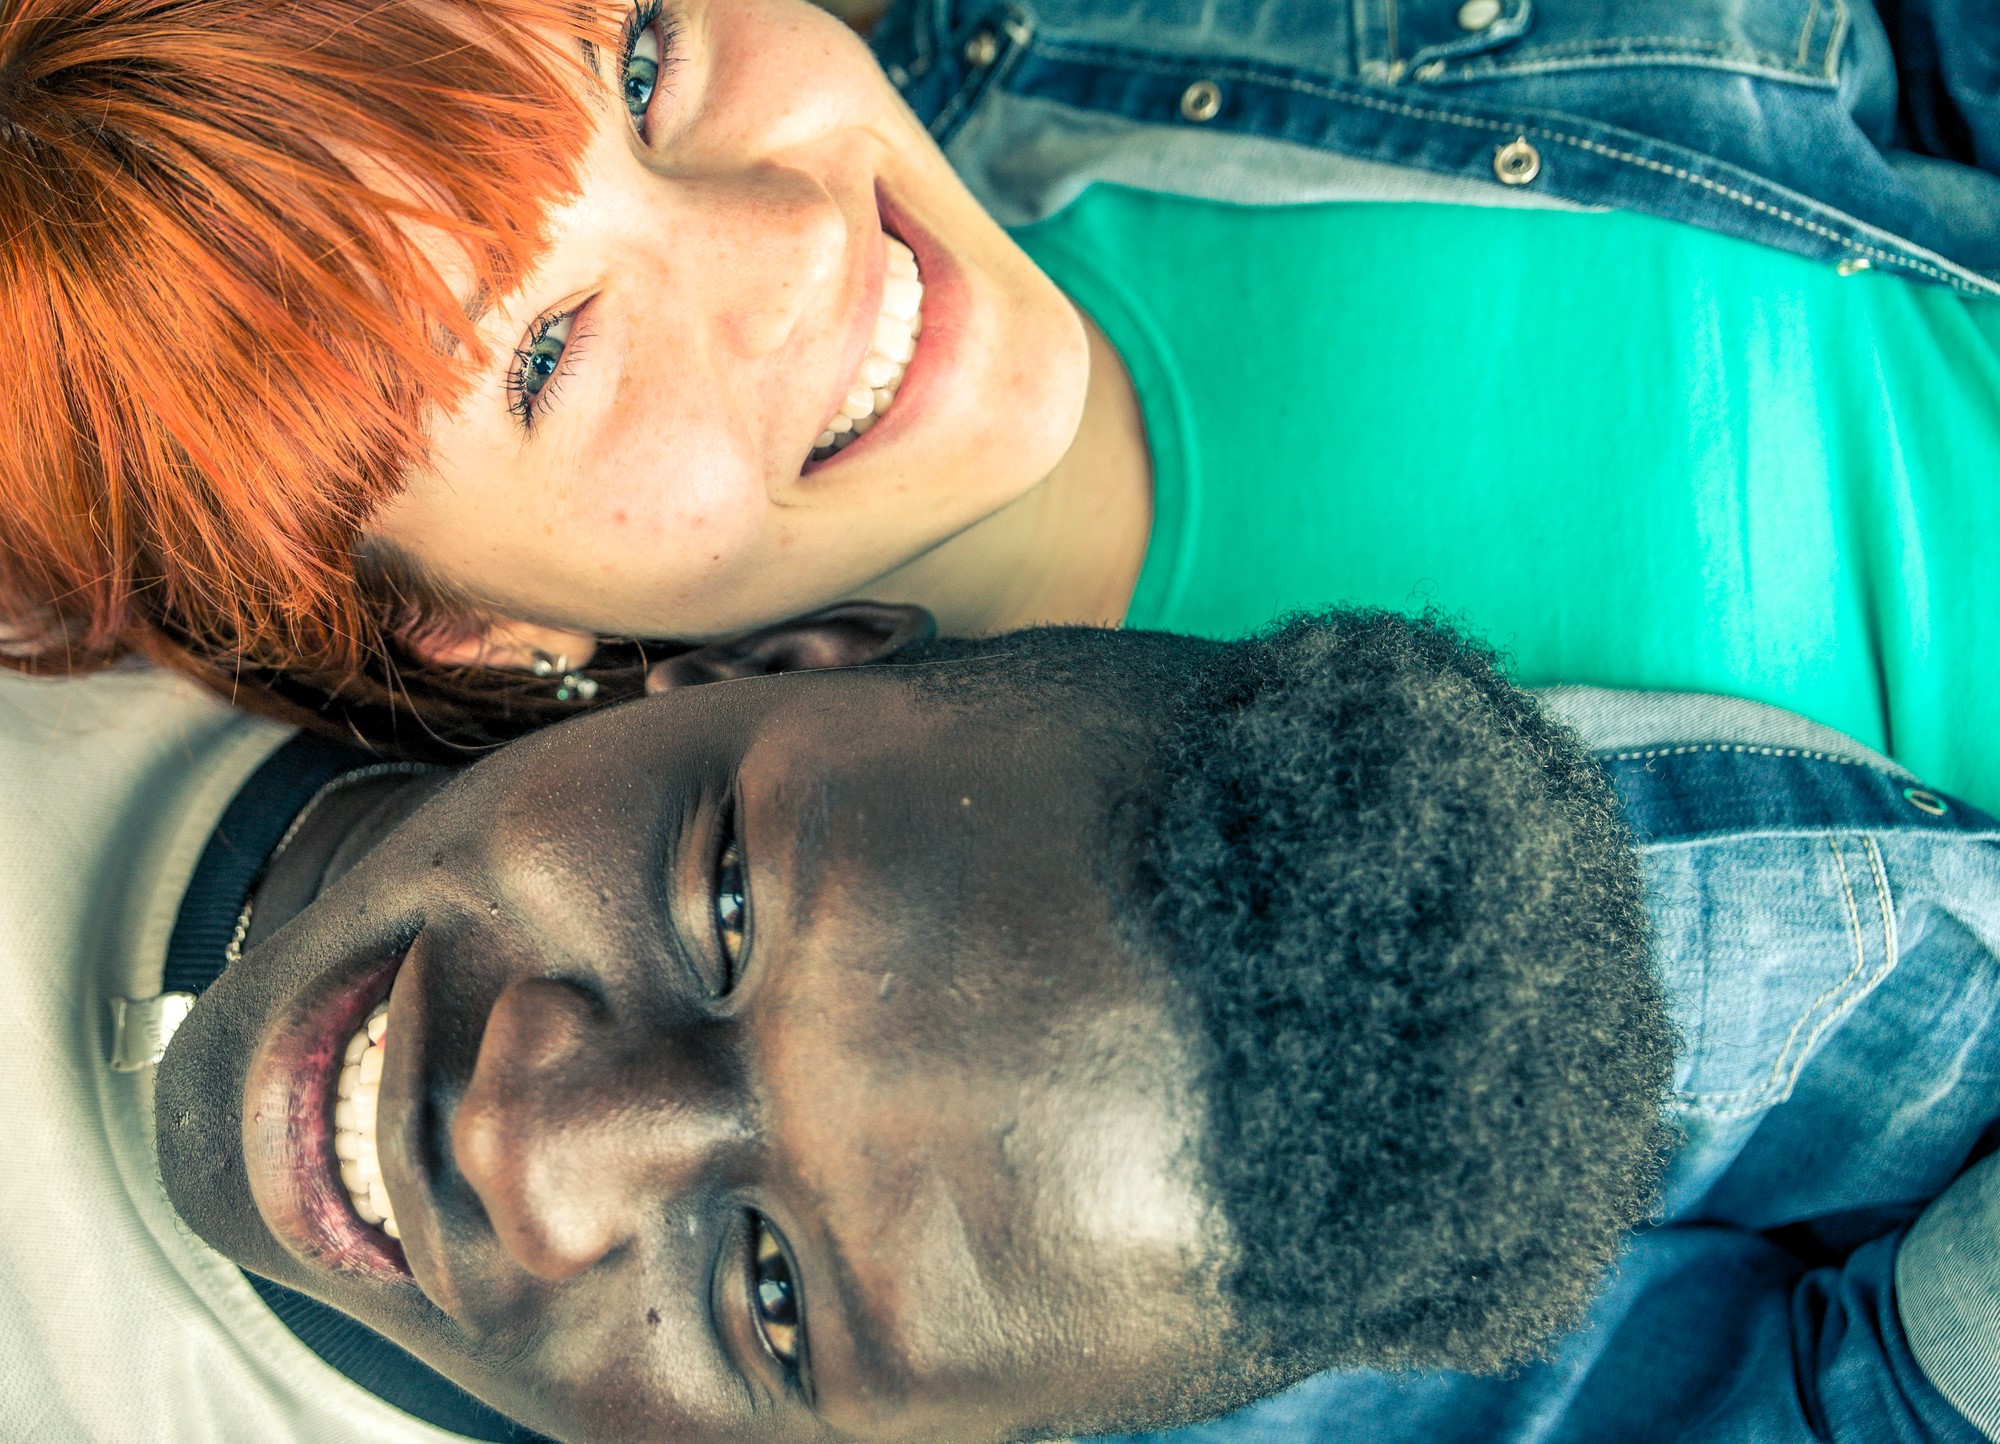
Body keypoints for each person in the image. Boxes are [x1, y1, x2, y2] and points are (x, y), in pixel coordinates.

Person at [10, 605, 2000, 1443]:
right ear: (755, 660)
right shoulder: (107, 548)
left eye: (772, 1301)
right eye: (722, 901)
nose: (534, 1146)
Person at [4, 0, 1998, 802]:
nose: (791, 237)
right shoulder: (986, 1064)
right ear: (452, 623)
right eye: (546, 352)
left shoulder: (1137, 41)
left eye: (640, 59)